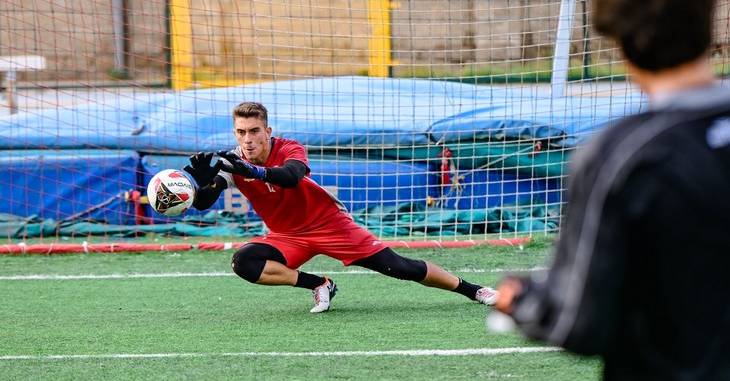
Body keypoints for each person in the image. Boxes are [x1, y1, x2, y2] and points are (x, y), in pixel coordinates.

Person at [490, 0, 730, 381]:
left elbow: (580, 322)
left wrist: (523, 300)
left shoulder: (622, 156)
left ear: (618, 42)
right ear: (708, 20)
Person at [183, 101, 498, 313]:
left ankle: (474, 290)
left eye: (254, 131)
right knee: (244, 262)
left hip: (329, 225)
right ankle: (320, 284)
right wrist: (198, 187)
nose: (248, 139)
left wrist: (254, 172)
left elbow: (291, 177)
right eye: (241, 132)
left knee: (401, 268)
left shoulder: (288, 148)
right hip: (287, 236)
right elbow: (206, 202)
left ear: (268, 131)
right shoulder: (231, 162)